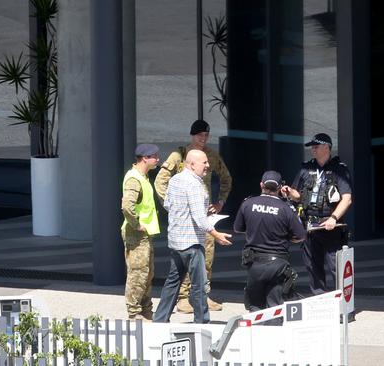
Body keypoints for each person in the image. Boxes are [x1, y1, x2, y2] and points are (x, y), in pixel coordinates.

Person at [154, 119, 232, 313]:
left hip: (204, 215)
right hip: (185, 220)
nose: (203, 139)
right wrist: (171, 206)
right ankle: (183, 297)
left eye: (206, 136)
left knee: (206, 257)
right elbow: (160, 181)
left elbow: (226, 178)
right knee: (186, 257)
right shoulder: (179, 155)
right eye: (199, 136)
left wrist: (220, 202)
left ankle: (203, 294)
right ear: (192, 136)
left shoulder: (211, 156)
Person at [281, 133, 353, 295]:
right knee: (313, 267)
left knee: (337, 268)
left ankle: (344, 307)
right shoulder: (306, 168)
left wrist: (334, 218)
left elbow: (347, 199)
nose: (312, 150)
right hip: (309, 226)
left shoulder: (339, 169)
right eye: (311, 147)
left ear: (327, 147)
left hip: (331, 227)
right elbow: (298, 195)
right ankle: (320, 303)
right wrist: (289, 192)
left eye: (316, 146)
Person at [234, 171, 306, 317]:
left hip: (254, 264)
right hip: (278, 265)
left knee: (255, 308)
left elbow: (238, 228)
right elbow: (300, 236)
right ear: (280, 188)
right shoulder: (286, 209)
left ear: (261, 185)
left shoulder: (248, 204)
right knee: (275, 309)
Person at [121, 143, 161, 321]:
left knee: (147, 272)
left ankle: (145, 309)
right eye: (155, 156)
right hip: (136, 234)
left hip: (145, 234)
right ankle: (134, 312)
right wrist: (136, 225)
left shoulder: (143, 177)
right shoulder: (134, 179)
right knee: (138, 272)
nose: (157, 159)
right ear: (145, 158)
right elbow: (127, 207)